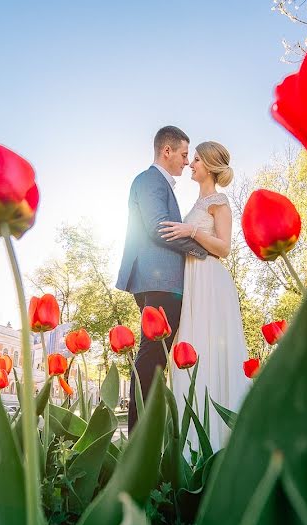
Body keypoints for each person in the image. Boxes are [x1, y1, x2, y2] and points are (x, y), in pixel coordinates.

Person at [159, 141, 249, 453]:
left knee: (211, 349)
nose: (191, 164)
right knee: (192, 346)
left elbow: (224, 247)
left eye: (196, 159)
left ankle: (223, 440)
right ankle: (192, 443)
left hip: (211, 280)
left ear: (209, 166)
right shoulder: (196, 203)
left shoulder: (218, 202)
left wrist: (191, 232)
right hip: (192, 282)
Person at [116, 126, 207, 432]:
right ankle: (138, 435)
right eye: (183, 154)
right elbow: (159, 227)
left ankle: (148, 433)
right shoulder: (151, 180)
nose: (186, 161)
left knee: (155, 357)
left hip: (161, 280)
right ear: (166, 151)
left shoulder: (157, 183)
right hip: (160, 280)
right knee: (151, 356)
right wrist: (202, 250)